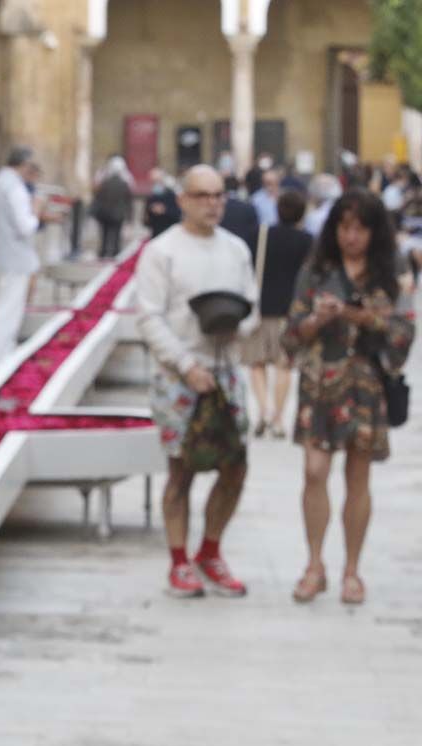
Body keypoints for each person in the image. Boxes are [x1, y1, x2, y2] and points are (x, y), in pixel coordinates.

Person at [281, 189, 415, 604]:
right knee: (314, 472)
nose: (350, 236)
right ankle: (314, 563)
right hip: (321, 381)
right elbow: (291, 334)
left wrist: (358, 315)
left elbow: (403, 333)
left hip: (365, 385)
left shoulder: (390, 275)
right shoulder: (317, 270)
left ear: (375, 232)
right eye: (343, 227)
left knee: (358, 478)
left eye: (359, 228)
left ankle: (352, 570)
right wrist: (317, 320)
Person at [135, 165, 260, 599]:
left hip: (225, 369)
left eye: (219, 195)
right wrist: (186, 364)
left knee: (236, 467)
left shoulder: (236, 250)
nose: (213, 203)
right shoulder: (161, 251)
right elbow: (149, 316)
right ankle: (178, 560)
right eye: (203, 195)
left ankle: (211, 551)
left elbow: (253, 307)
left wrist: (238, 329)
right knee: (181, 471)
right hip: (179, 375)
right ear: (183, 200)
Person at [240, 190, 313, 438]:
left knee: (256, 363)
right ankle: (279, 418)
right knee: (284, 365)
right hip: (291, 311)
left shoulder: (259, 236)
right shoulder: (307, 241)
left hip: (259, 309)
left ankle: (264, 411)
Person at [0, 146, 60, 372]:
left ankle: (1, 361)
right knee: (7, 314)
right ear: (24, 166)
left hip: (0, 257)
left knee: (4, 311)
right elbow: (26, 226)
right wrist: (36, 208)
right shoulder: (15, 188)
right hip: (15, 259)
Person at [91, 156, 133, 258]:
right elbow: (128, 201)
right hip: (118, 214)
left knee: (105, 234)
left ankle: (103, 252)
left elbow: (98, 198)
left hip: (105, 213)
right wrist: (128, 215)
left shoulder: (105, 183)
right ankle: (115, 252)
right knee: (117, 235)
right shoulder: (124, 184)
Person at [220, 175, 260, 259]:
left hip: (221, 253)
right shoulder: (248, 208)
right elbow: (256, 234)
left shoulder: (217, 208)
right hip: (244, 253)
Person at [143, 168, 181, 238]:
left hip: (169, 233)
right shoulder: (151, 196)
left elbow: (177, 215)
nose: (155, 184)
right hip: (155, 233)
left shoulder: (171, 195)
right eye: (153, 182)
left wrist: (164, 211)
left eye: (157, 181)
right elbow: (146, 221)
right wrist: (151, 212)